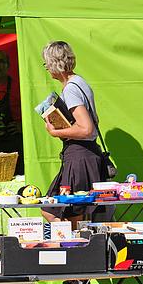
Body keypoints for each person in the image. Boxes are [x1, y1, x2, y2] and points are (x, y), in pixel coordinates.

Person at [40, 41, 109, 228]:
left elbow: (86, 128)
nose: (46, 67)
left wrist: (56, 131)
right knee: (56, 208)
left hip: (79, 155)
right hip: (84, 154)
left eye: (46, 63)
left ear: (55, 63)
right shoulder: (80, 82)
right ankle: (77, 245)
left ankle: (75, 250)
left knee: (71, 213)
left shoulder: (71, 88)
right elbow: (94, 121)